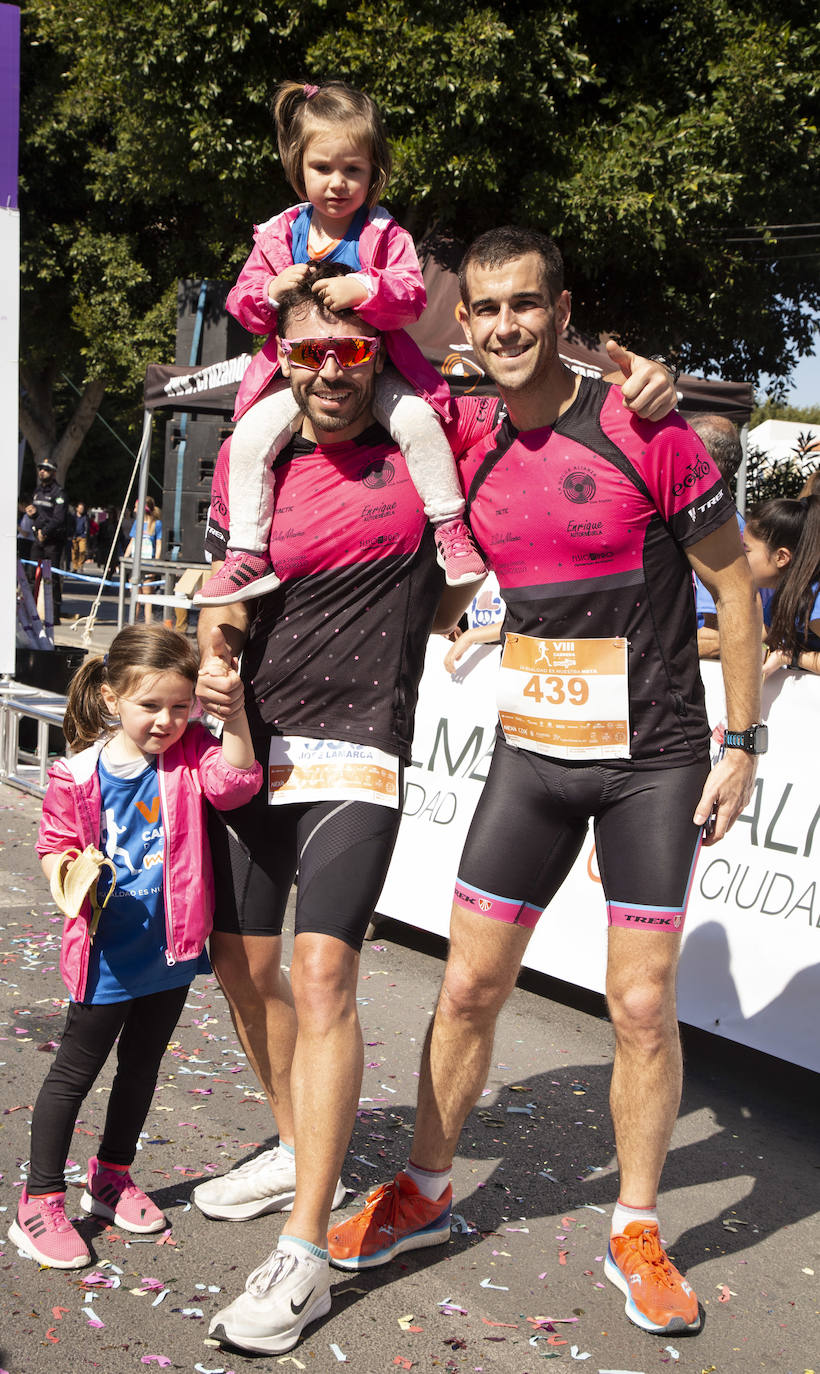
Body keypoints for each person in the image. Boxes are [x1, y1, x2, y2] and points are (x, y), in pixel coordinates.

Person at [192, 261, 678, 1355]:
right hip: (254, 747)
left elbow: (537, 384)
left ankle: (306, 1252)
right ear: (283, 358)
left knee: (322, 973)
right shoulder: (250, 453)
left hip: (360, 749)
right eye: (310, 350)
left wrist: (648, 382)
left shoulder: (434, 439)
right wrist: (212, 659)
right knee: (245, 968)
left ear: (379, 354)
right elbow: (217, 590)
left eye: (350, 350)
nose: (329, 370)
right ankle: (289, 1144)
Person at [327, 227, 764, 1341]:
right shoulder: (460, 436)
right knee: (467, 989)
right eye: (487, 310)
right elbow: (335, 364)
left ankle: (634, 1224)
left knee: (637, 1006)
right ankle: (423, 1190)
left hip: (651, 764)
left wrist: (743, 743)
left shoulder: (641, 424)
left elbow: (738, 589)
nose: (507, 326)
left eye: (528, 306)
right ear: (464, 324)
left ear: (562, 313)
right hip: (530, 756)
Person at [7, 625, 261, 1269]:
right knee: (75, 1073)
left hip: (172, 950)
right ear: (114, 698)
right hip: (106, 954)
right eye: (151, 706)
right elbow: (52, 847)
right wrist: (71, 875)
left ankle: (110, 1177)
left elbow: (235, 785)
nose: (168, 721)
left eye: (181, 706)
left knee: (142, 1067)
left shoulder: (193, 751)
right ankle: (38, 1201)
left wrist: (229, 718)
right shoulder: (78, 773)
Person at [192, 79, 486, 607]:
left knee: (419, 421)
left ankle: (449, 527)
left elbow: (411, 296)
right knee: (250, 437)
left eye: (353, 169)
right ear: (297, 166)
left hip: (375, 370)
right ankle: (246, 555)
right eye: (322, 168)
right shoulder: (278, 235)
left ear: (374, 173)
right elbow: (241, 303)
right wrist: (269, 290)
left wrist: (366, 288)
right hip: (300, 373)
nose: (337, 182)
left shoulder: (385, 234)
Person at [687, 414, 745, 659]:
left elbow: (717, 634)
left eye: (679, 450)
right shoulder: (697, 521)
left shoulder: (724, 531)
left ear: (701, 461)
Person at [743, 494, 820, 676]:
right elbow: (749, 642)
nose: (739, 557)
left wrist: (790, 657)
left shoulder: (815, 601)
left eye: (746, 549)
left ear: (781, 557)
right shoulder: (782, 598)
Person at [27, 459, 68, 623]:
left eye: (46, 469)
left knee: (52, 577)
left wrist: (45, 531)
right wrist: (34, 516)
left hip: (53, 541)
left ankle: (54, 614)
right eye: (41, 469)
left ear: (53, 473)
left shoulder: (59, 493)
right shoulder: (37, 491)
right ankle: (29, 611)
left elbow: (58, 518)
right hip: (38, 539)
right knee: (31, 575)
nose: (42, 471)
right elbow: (41, 516)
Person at [124, 497, 162, 624]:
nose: (134, 510)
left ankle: (147, 625)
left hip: (148, 563)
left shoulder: (156, 524)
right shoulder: (137, 523)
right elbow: (132, 542)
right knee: (134, 597)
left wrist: (155, 564)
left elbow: (159, 544)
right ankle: (131, 623)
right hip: (136, 564)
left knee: (147, 598)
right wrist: (125, 558)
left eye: (136, 507)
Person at [70, 501, 89, 572]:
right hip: (74, 536)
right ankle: (75, 567)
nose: (81, 510)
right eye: (80, 508)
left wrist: (86, 534)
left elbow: (87, 527)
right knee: (74, 552)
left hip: (82, 536)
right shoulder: (73, 517)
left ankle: (80, 564)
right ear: (77, 508)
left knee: (82, 551)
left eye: (82, 508)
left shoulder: (85, 517)